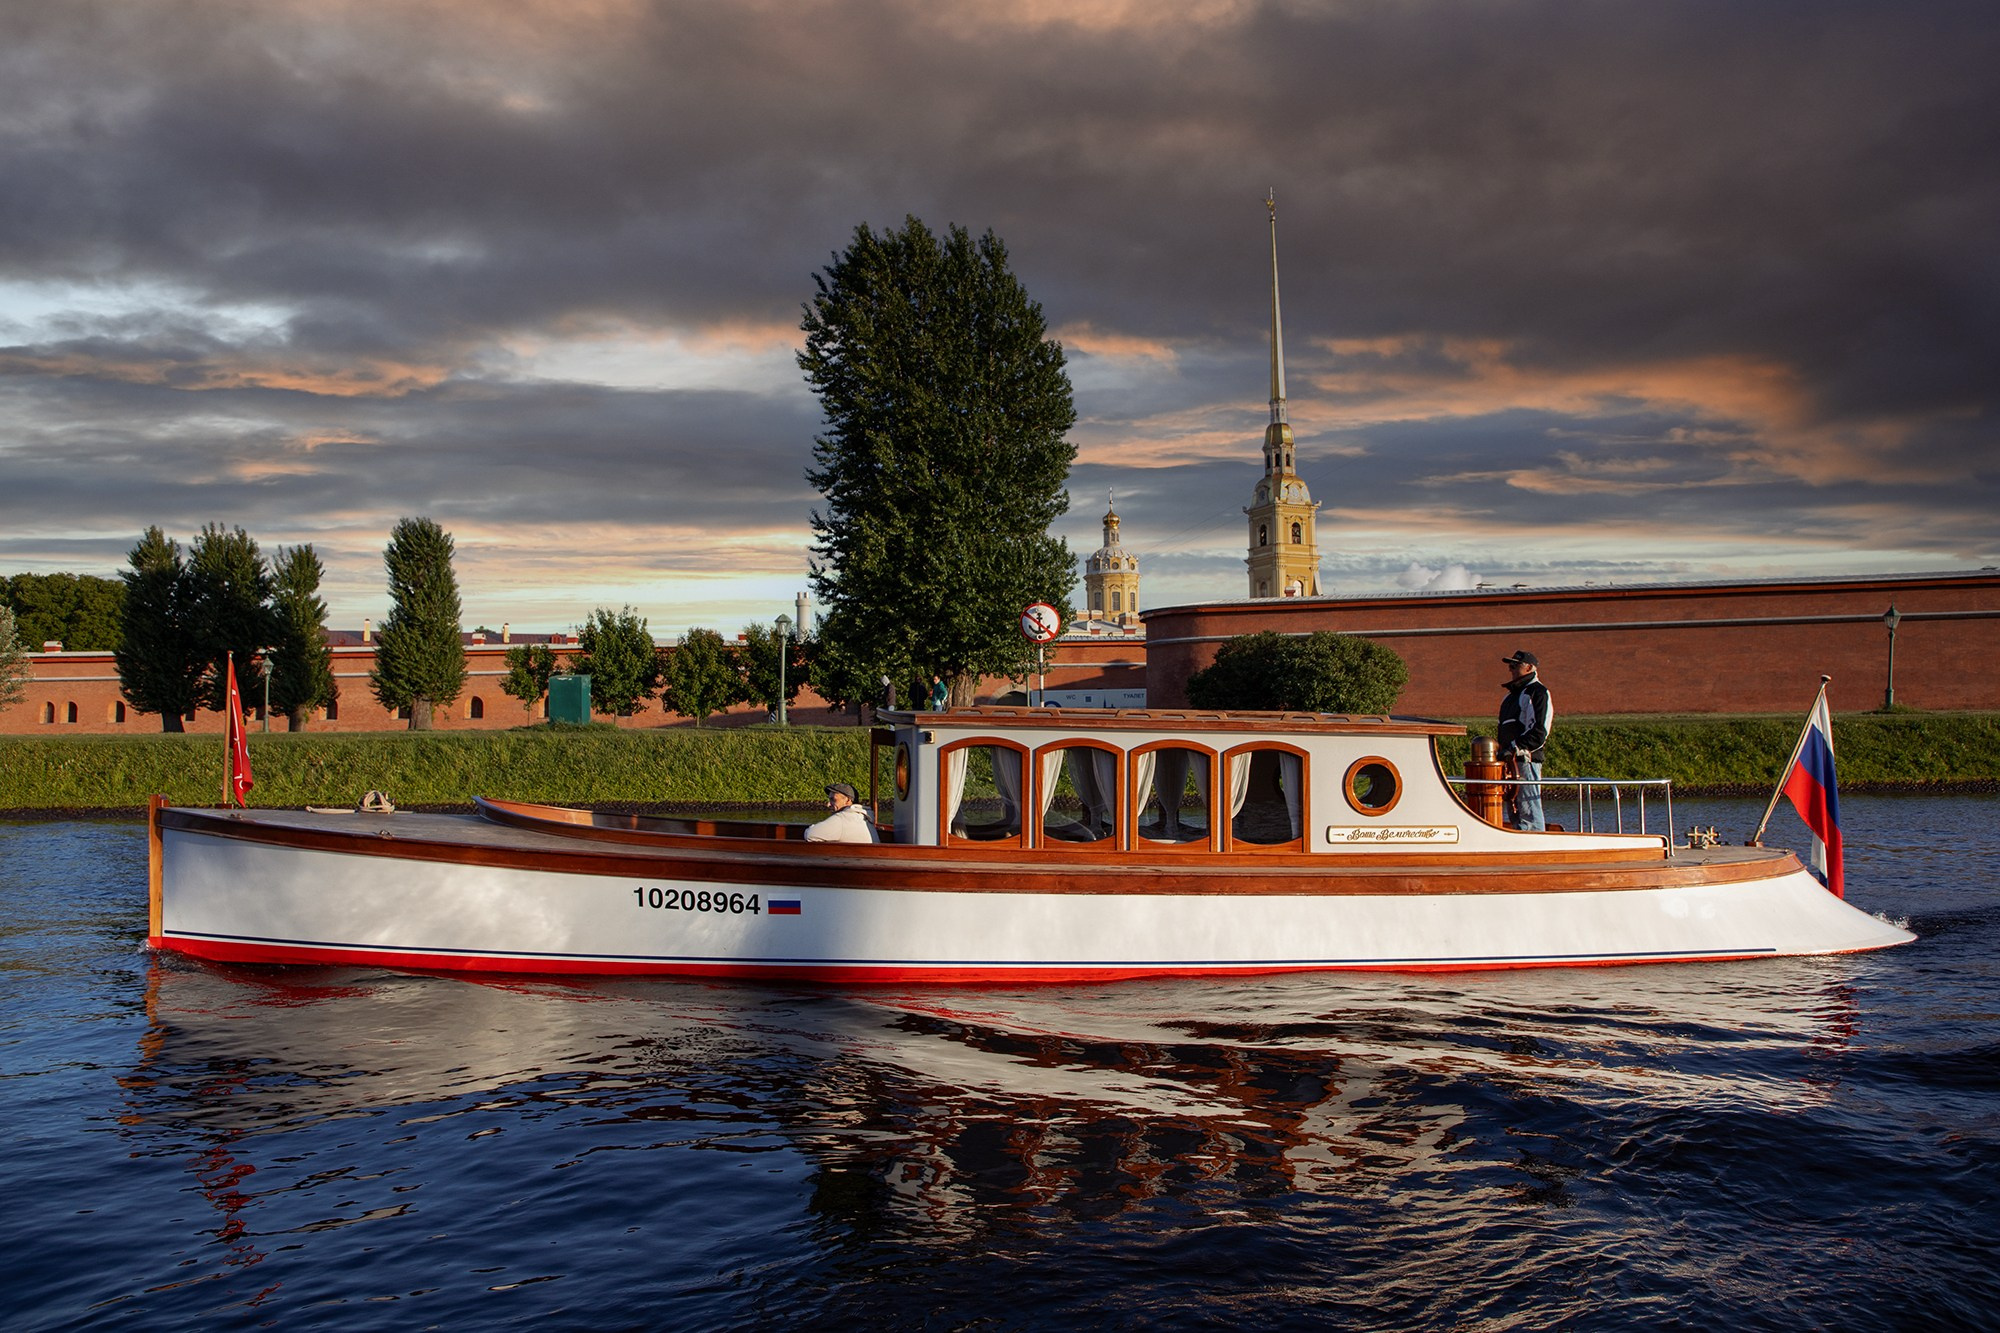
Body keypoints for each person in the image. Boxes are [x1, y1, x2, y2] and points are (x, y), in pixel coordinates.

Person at [1498, 649, 1553, 831]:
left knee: (1529, 811)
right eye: (1510, 666)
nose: (1511, 669)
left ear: (1529, 667)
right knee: (1514, 810)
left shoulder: (1537, 692)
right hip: (1508, 764)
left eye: (1515, 665)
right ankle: (1517, 841)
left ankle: (1535, 842)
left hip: (1525, 761)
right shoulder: (1509, 697)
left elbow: (1539, 732)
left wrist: (1515, 747)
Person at [804, 782, 877, 843]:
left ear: (848, 800)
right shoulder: (864, 816)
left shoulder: (843, 818)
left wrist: (811, 827)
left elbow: (810, 834)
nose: (828, 804)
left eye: (833, 799)